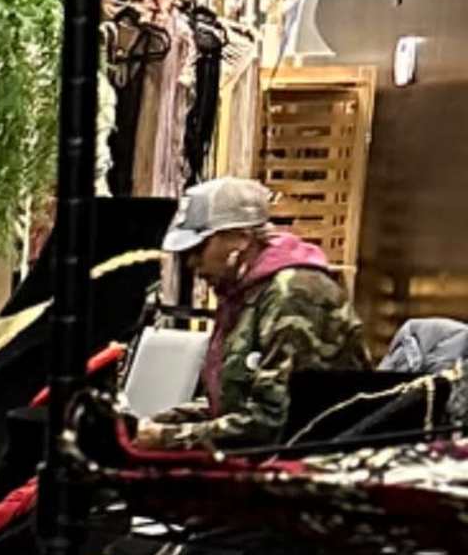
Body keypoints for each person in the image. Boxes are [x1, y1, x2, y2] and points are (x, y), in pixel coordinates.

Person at [144, 172, 368, 448]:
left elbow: (274, 423)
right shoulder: (245, 294)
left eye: (199, 247)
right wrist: (156, 422)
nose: (191, 262)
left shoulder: (295, 293)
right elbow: (232, 403)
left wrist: (166, 439)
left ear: (240, 238)